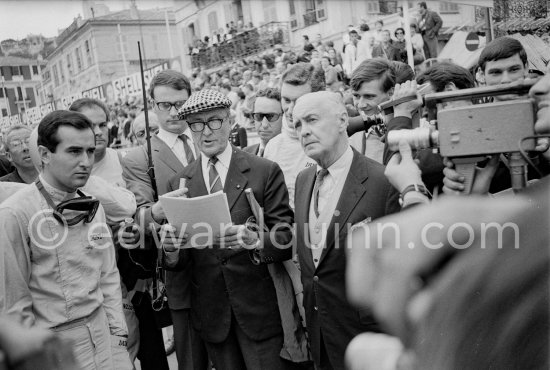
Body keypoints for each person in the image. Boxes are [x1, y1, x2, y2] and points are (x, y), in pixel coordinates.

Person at [164, 89, 295, 370]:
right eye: (197, 125)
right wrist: (171, 250)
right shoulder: (179, 183)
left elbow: (286, 237)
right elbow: (181, 262)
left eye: (214, 121)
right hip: (213, 316)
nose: (206, 132)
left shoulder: (264, 171)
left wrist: (256, 240)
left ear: (230, 122)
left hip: (258, 312)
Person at [0, 110, 132, 370]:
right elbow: (14, 303)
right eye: (74, 151)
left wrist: (118, 338)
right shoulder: (15, 214)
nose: (85, 161)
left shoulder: (95, 206)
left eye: (90, 151)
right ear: (45, 155)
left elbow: (107, 276)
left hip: (104, 336)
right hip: (54, 347)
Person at [292, 91, 400, 370]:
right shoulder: (304, 180)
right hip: (322, 340)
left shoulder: (382, 180)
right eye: (297, 125)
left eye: (311, 120)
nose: (304, 132)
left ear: (342, 121)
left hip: (368, 340)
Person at [122, 69, 208, 370]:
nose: (174, 112)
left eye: (180, 103)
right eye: (165, 105)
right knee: (191, 355)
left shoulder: (209, 137)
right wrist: (156, 213)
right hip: (179, 268)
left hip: (225, 258)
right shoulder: (139, 157)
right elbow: (140, 216)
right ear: (152, 106)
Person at [263, 63, 322, 209]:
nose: (290, 110)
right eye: (286, 100)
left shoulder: (334, 140)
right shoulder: (272, 146)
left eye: (299, 101)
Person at [348, 58, 396, 163]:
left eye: (369, 96)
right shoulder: (351, 133)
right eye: (356, 96)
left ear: (391, 93)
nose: (360, 105)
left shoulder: (415, 129)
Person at [244, 88, 283, 157]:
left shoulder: (298, 155)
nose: (264, 125)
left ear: (284, 117)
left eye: (271, 116)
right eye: (259, 116)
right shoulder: (245, 153)